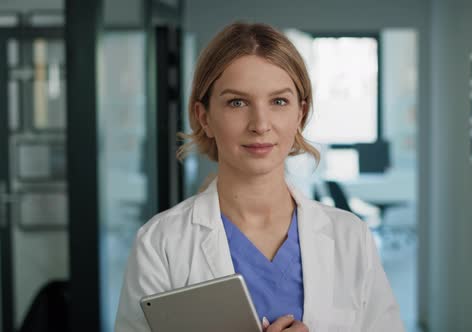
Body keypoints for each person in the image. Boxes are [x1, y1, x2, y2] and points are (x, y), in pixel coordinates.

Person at [115, 22, 405, 332]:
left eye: (279, 101)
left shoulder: (351, 238)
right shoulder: (161, 243)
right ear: (204, 117)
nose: (260, 124)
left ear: (300, 115)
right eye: (237, 103)